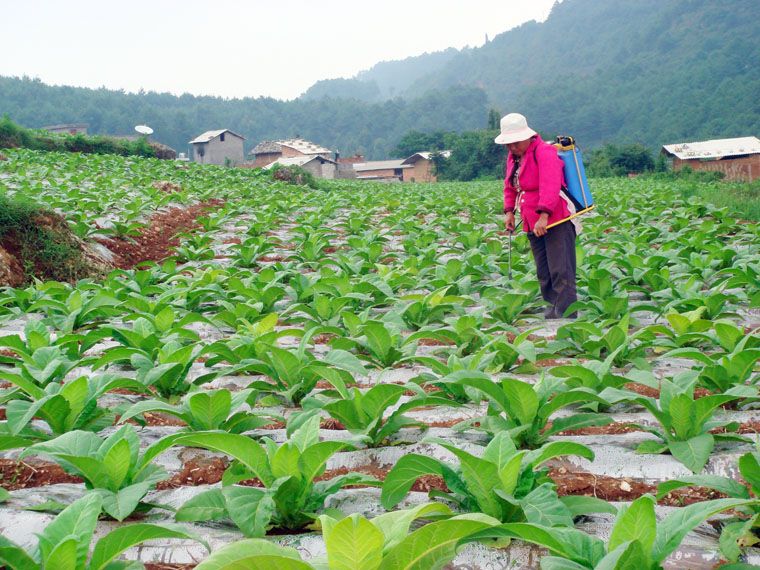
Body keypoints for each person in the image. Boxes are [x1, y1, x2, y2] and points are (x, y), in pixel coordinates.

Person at [495, 113, 578, 319]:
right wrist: (509, 212)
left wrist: (544, 216)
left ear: (527, 136)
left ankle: (567, 315)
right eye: (508, 144)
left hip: (556, 218)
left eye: (515, 143)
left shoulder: (544, 152)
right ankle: (551, 310)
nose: (511, 147)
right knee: (544, 269)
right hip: (531, 219)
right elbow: (510, 185)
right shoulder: (515, 157)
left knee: (561, 269)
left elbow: (551, 184)